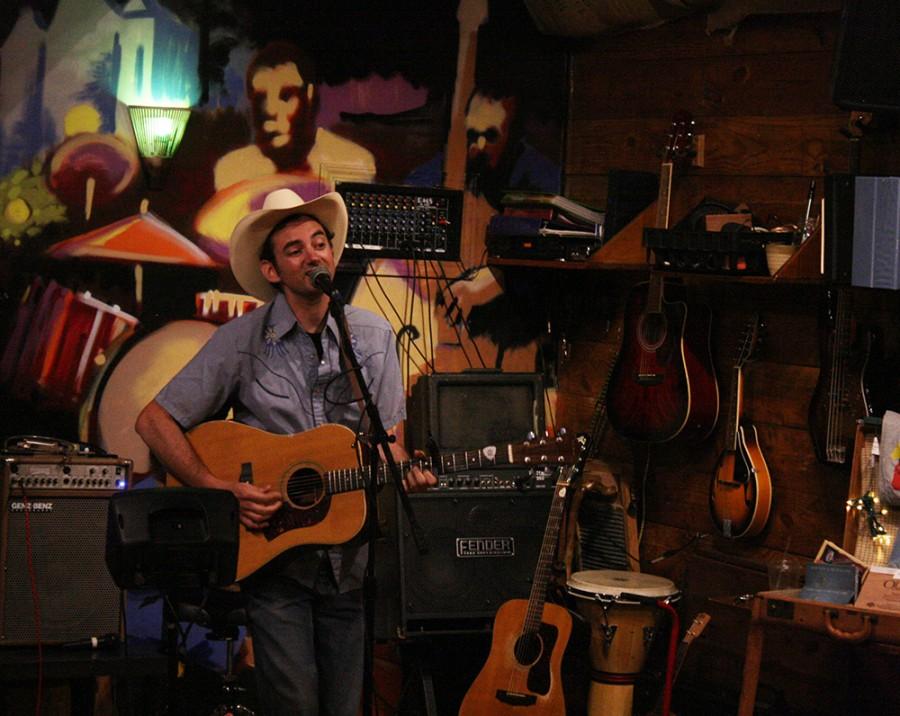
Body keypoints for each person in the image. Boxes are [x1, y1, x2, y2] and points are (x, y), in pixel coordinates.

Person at [136, 187, 436, 715]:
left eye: (320, 242)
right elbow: (154, 421)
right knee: (294, 704)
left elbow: (389, 439)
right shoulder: (244, 341)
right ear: (273, 271)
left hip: (348, 559)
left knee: (345, 708)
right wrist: (218, 487)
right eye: (294, 248)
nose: (313, 253)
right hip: (273, 561)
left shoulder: (371, 335)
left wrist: (406, 469)